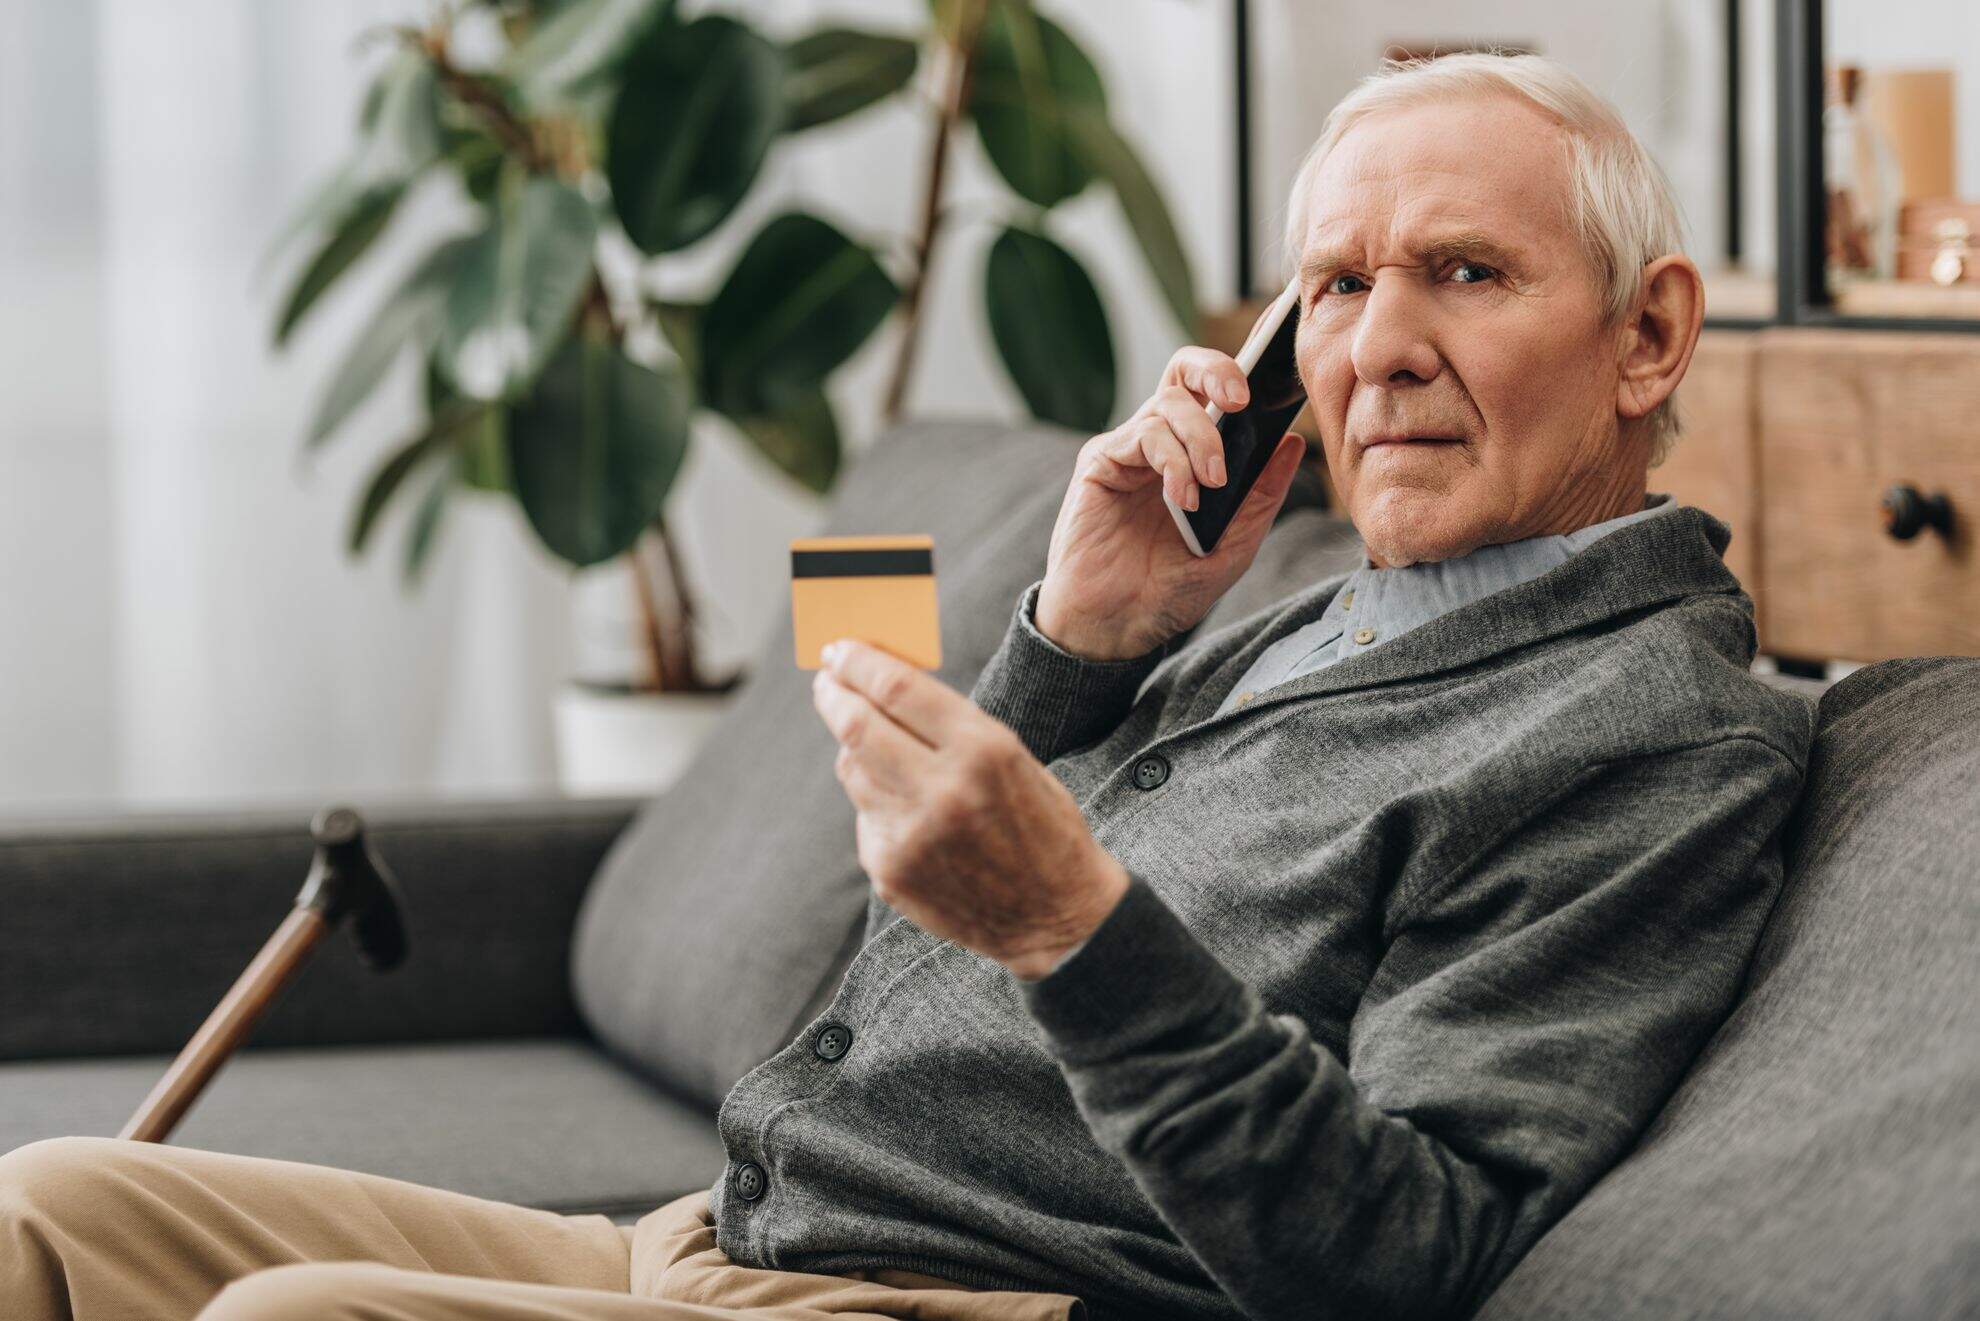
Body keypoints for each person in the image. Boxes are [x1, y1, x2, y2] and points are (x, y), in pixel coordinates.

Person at [1, 52, 1813, 1321]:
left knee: (298, 1319)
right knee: (48, 1207)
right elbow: (925, 958)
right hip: (735, 1235)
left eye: (1465, 273)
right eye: (1331, 285)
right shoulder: (1304, 609)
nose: (1378, 345)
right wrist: (1083, 641)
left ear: (1649, 332)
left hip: (971, 1301)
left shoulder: (1647, 729)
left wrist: (1079, 925)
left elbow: (1406, 1254)